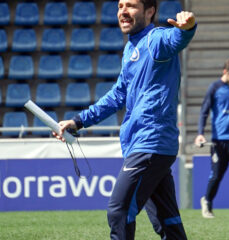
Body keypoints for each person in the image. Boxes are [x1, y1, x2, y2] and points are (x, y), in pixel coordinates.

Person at [53, 0, 197, 239]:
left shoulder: (156, 40)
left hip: (151, 143)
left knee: (118, 211)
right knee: (167, 221)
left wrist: (188, 27)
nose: (123, 11)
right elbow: (118, 95)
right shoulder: (131, 49)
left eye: (131, 6)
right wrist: (78, 121)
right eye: (120, 5)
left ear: (150, 12)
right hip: (144, 145)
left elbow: (176, 39)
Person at [194, 58, 229, 220]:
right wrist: (200, 133)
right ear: (225, 72)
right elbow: (204, 111)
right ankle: (207, 201)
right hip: (219, 140)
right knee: (216, 175)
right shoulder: (214, 88)